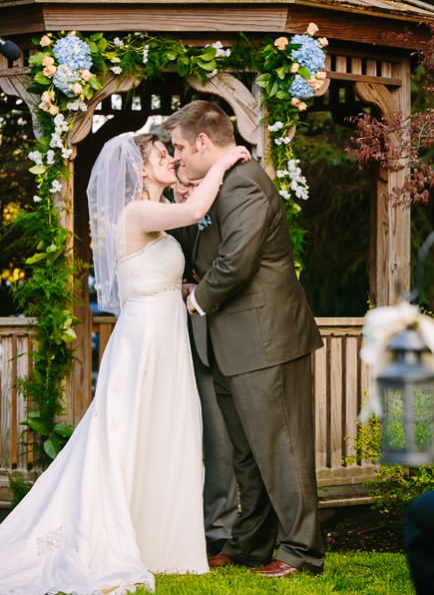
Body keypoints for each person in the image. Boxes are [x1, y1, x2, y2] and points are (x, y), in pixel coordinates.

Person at [0, 132, 248, 593]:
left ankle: (159, 540)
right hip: (144, 343)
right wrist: (226, 158)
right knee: (128, 433)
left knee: (165, 431)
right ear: (140, 169)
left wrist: (188, 292)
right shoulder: (135, 212)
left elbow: (172, 254)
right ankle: (110, 535)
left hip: (165, 332)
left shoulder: (154, 211)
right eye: (161, 156)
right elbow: (193, 213)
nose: (171, 161)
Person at [164, 100, 325, 578]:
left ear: (203, 142)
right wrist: (182, 203)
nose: (177, 158)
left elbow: (238, 259)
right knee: (247, 452)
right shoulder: (217, 186)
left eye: (179, 148)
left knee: (282, 447)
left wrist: (199, 300)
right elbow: (201, 249)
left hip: (265, 338)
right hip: (232, 343)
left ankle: (302, 551)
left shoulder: (246, 183)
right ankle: (251, 543)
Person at [169, 173, 238, 557]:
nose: (184, 186)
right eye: (179, 180)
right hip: (182, 337)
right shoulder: (169, 214)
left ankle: (222, 526)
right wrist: (182, 286)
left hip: (228, 334)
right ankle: (199, 522)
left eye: (191, 180)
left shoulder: (229, 207)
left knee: (223, 439)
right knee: (205, 433)